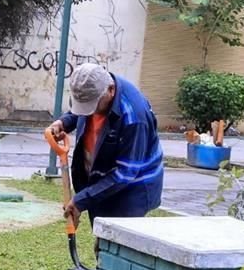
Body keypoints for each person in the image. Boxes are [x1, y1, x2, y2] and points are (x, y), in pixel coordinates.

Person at [46, 63, 163, 231]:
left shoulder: (134, 117)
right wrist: (63, 122)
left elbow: (125, 172)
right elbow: (79, 111)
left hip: (132, 188)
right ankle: (100, 254)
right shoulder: (94, 89)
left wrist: (81, 200)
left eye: (93, 106)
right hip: (100, 178)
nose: (89, 111)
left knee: (118, 243)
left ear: (110, 90)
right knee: (101, 238)